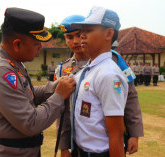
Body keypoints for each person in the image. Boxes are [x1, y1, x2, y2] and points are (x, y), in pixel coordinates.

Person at [0, 7, 76, 157]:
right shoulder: (0, 71)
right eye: (36, 44)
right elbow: (31, 123)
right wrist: (59, 96)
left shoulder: (13, 62)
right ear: (17, 44)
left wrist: (56, 86)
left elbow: (28, 94)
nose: (40, 48)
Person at [56, 14, 143, 157]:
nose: (77, 40)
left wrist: (135, 133)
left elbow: (131, 97)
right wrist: (64, 147)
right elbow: (63, 110)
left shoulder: (114, 60)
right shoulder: (63, 69)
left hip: (104, 144)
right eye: (70, 37)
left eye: (81, 34)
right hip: (79, 143)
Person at [70, 6, 129, 157]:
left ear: (108, 33)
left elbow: (116, 135)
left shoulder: (108, 75)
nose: (81, 35)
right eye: (81, 31)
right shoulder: (88, 69)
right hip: (80, 150)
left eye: (88, 30)